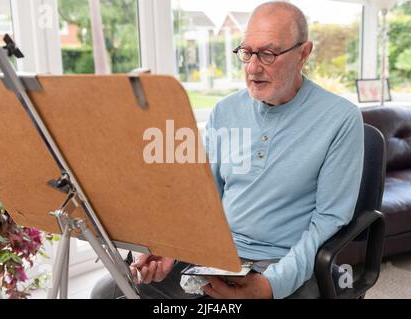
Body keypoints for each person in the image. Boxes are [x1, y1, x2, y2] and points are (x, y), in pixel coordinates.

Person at [91, 1, 364, 299]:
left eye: (268, 54)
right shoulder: (225, 111)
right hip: (218, 258)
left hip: (284, 262)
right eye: (247, 52)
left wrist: (271, 285)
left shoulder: (341, 119)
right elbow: (204, 198)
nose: (253, 67)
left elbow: (328, 221)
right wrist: (172, 249)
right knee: (107, 291)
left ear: (303, 54)